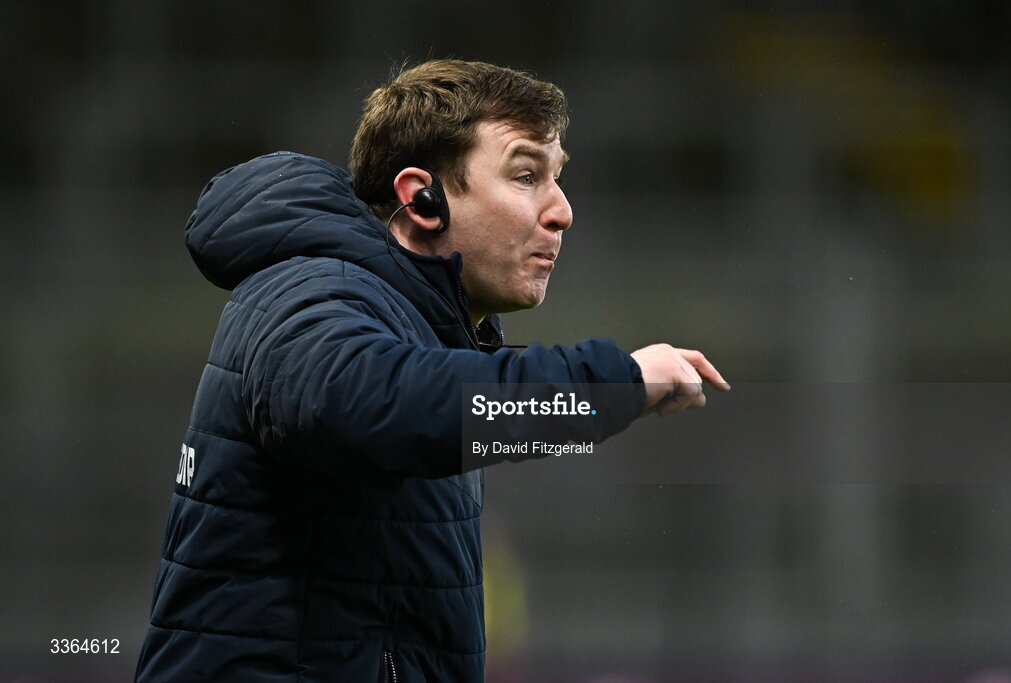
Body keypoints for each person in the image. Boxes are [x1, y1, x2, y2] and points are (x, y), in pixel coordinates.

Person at [134, 59, 728, 682]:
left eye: (557, 178)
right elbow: (371, 404)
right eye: (526, 176)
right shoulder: (311, 290)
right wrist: (606, 386)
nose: (562, 212)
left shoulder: (409, 324)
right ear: (422, 199)